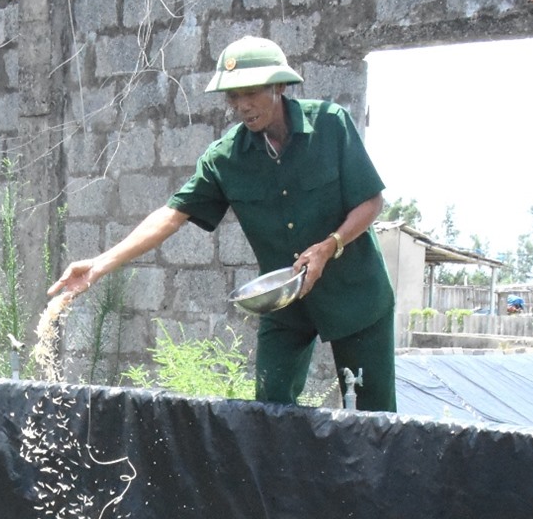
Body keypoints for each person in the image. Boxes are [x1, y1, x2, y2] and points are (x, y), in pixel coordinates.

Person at [48, 36, 395, 412]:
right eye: (232, 96)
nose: (242, 105)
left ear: (278, 85)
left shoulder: (330, 125)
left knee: (373, 418)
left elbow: (371, 201)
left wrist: (329, 246)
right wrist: (98, 266)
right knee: (270, 408)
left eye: (251, 92)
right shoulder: (226, 159)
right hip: (285, 303)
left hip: (356, 294)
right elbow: (171, 216)